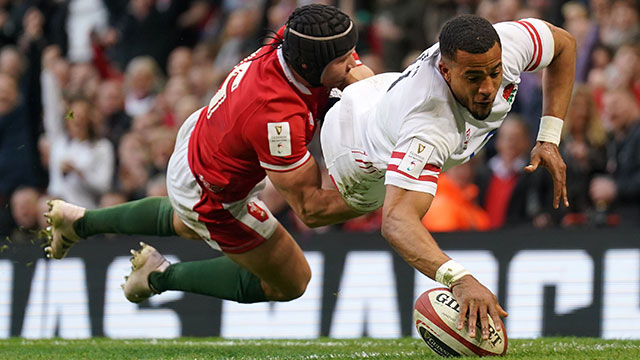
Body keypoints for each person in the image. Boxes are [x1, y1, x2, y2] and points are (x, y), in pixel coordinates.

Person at [45, 4, 371, 306]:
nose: (352, 64)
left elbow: (345, 62)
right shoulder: (276, 116)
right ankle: (159, 276)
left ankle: (80, 222)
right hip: (214, 193)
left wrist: (361, 84)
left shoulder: (295, 38)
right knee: (291, 281)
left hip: (204, 140)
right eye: (342, 61)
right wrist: (383, 192)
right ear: (308, 66)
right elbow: (310, 208)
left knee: (184, 221)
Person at [320, 15, 575, 339]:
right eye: (473, 77)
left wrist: (549, 138)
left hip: (386, 93)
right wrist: (459, 278)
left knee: (368, 89)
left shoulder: (507, 45)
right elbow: (396, 220)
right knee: (313, 211)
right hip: (357, 151)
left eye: (494, 73)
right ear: (445, 71)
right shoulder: (427, 127)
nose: (487, 89)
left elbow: (564, 44)